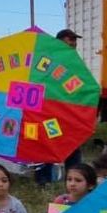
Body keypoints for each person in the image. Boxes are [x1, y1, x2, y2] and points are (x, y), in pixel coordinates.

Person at [36, 28, 84, 185]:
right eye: (70, 39)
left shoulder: (75, 61)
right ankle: (43, 181)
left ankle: (74, 179)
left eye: (74, 40)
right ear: (59, 41)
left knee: (72, 143)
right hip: (50, 111)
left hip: (69, 112)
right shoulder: (49, 60)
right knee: (47, 144)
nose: (74, 43)